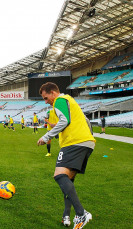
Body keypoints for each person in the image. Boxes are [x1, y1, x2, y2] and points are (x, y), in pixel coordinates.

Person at [37, 82, 95, 228]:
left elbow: (65, 121)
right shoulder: (71, 101)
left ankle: (81, 214)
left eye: (45, 97)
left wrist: (46, 137)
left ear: (53, 93)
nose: (46, 101)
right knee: (68, 181)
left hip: (74, 142)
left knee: (59, 176)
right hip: (86, 143)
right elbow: (86, 121)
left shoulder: (60, 100)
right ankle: (66, 216)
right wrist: (88, 140)